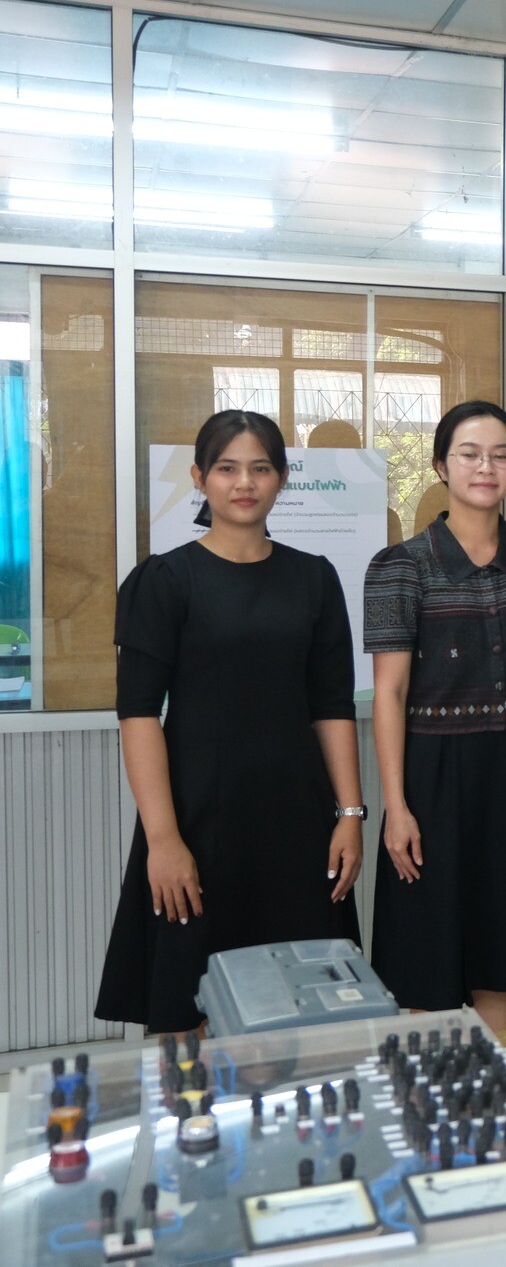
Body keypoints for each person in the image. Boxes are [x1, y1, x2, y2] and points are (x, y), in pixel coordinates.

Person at [95, 410, 365, 1035]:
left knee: (304, 1005)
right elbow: (138, 715)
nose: (245, 483)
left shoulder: (314, 577)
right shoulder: (164, 580)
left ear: (283, 478)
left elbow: (331, 706)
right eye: (227, 468)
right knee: (185, 1006)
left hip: (297, 822)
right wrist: (164, 840)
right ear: (199, 478)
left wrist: (350, 815)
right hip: (197, 820)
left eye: (261, 468)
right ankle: (191, 1105)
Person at [363, 401, 506, 1033]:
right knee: (426, 952)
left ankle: (496, 1087)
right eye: (469, 454)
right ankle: (436, 1090)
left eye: (500, 455)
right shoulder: (398, 566)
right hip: (430, 776)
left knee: (501, 950)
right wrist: (395, 807)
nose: (486, 467)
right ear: (440, 466)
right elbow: (389, 694)